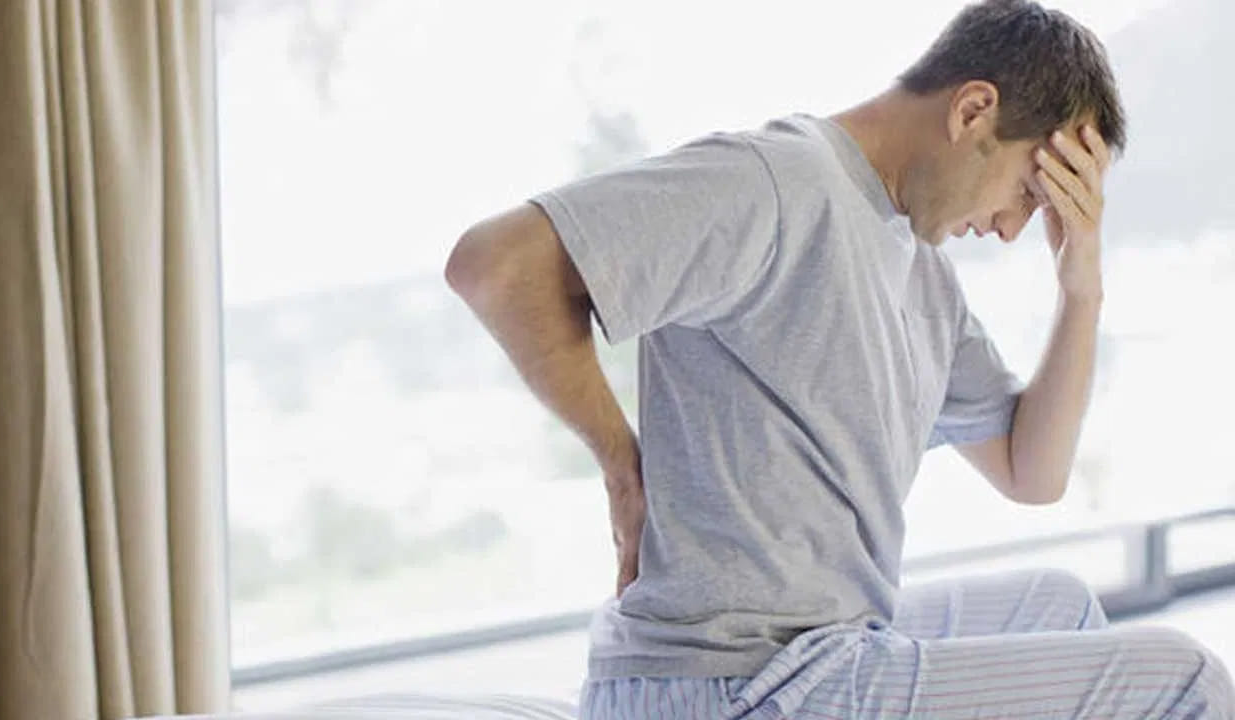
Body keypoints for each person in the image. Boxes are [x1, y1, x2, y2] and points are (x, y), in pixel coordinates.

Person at [445, 0, 1234, 716]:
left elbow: (1034, 473)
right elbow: (498, 266)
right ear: (973, 111)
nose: (1010, 229)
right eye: (1029, 193)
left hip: (824, 651)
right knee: (1186, 677)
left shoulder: (921, 271)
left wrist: (1081, 287)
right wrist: (625, 469)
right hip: (726, 682)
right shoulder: (777, 181)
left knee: (1056, 604)